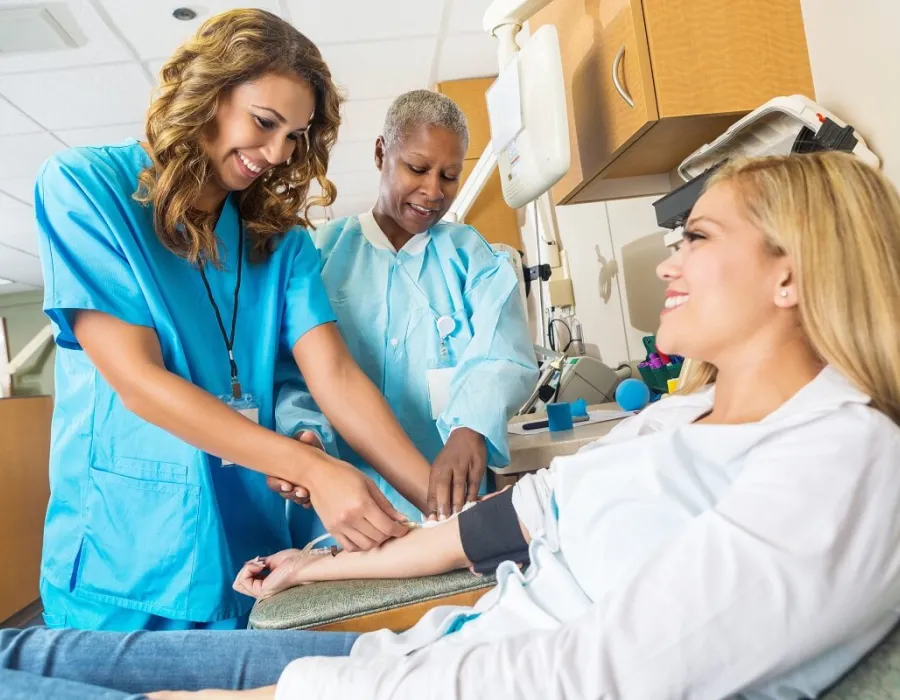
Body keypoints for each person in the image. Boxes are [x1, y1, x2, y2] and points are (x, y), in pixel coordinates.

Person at [6, 151, 900, 698]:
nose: (669, 257)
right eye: (415, 168)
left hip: (420, 670)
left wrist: (464, 432)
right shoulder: (680, 416)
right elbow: (512, 516)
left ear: (795, 274)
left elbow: (597, 675)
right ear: (384, 157)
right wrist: (335, 552)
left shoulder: (844, 457)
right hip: (415, 637)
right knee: (29, 652)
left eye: (696, 237)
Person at [33, 9, 436, 632]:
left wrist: (445, 506)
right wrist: (308, 467)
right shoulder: (85, 190)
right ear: (206, 95)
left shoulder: (279, 243)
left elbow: (335, 375)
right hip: (127, 548)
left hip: (246, 539)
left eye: (295, 135)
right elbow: (138, 381)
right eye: (265, 122)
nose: (277, 153)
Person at [276, 89, 538, 537]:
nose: (433, 191)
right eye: (417, 168)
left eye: (450, 176)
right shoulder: (319, 257)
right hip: (344, 517)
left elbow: (503, 354)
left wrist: (471, 426)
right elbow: (291, 374)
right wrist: (307, 436)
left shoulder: (473, 259)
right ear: (382, 152)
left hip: (453, 507)